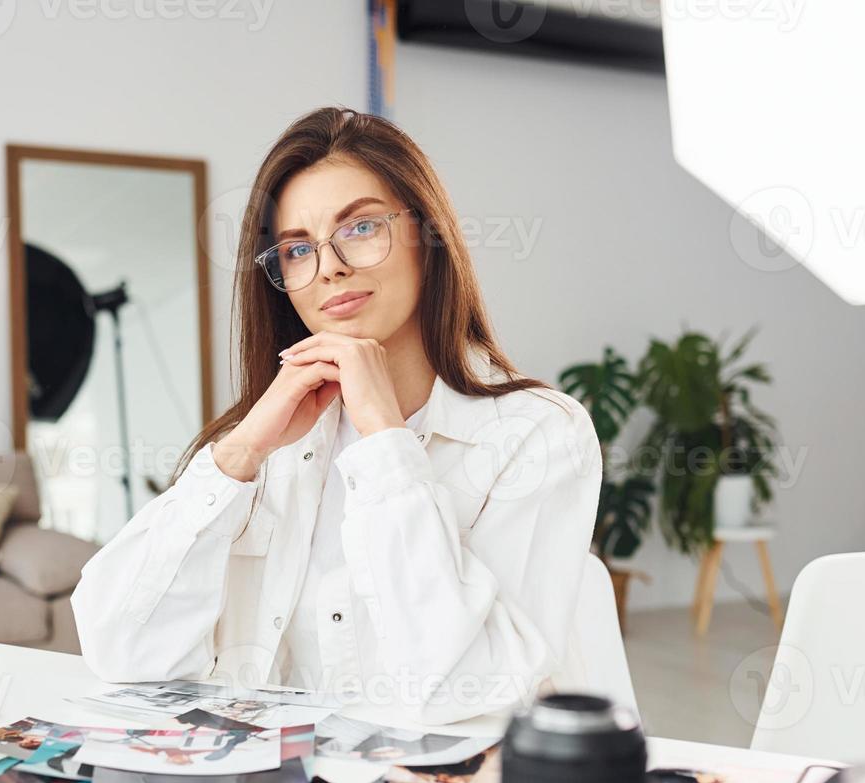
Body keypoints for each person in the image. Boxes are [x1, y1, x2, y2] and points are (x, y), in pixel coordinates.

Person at [70, 106, 601, 725]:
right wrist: (237, 457)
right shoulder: (262, 442)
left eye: (361, 228)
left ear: (428, 238)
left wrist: (386, 444)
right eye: (297, 249)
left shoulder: (538, 433)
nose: (330, 268)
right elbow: (123, 651)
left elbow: (457, 690)